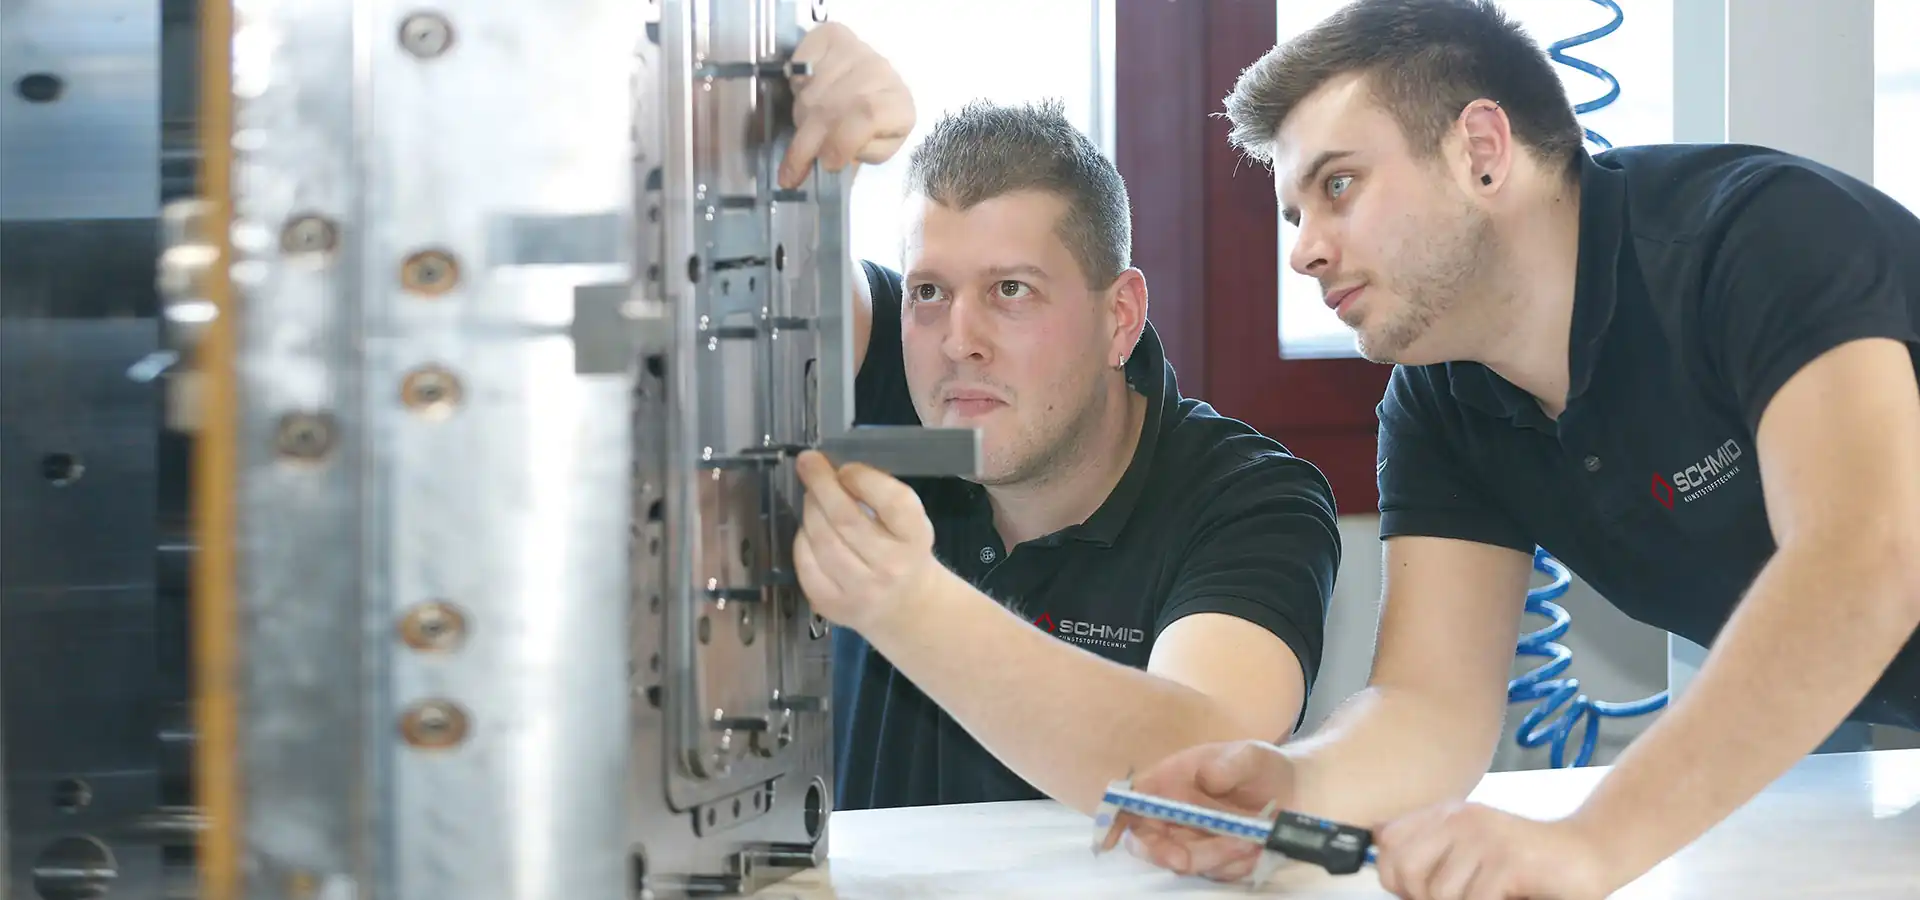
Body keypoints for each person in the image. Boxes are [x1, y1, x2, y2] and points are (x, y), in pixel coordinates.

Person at [1110, 0, 1920, 897]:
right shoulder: (1440, 398)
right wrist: (1292, 792)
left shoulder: (1759, 236)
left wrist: (1591, 843)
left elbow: (1865, 558)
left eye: (1337, 185)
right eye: (1292, 214)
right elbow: (1428, 706)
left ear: (1482, 151)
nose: (1303, 252)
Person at [769, 22, 1344, 814]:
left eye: (1011, 291)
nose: (959, 342)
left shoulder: (1249, 500)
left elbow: (1200, 763)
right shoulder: (897, 372)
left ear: (1120, 317)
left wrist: (909, 607)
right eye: (929, 290)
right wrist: (799, 130)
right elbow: (767, 291)